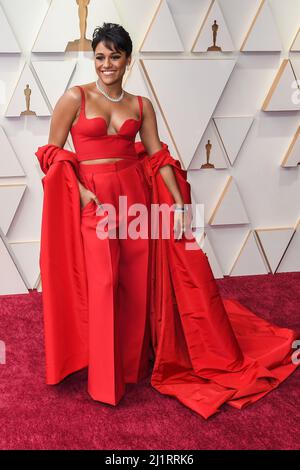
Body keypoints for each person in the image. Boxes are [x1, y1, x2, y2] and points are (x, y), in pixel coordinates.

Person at [35, 22, 300, 420]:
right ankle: (104, 381)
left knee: (135, 283)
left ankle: (131, 368)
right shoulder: (74, 97)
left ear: (128, 60)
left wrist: (177, 205)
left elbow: (158, 157)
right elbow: (51, 151)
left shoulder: (140, 105)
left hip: (135, 200)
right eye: (100, 57)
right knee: (105, 282)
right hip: (95, 201)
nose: (106, 65)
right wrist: (82, 193)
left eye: (115, 57)